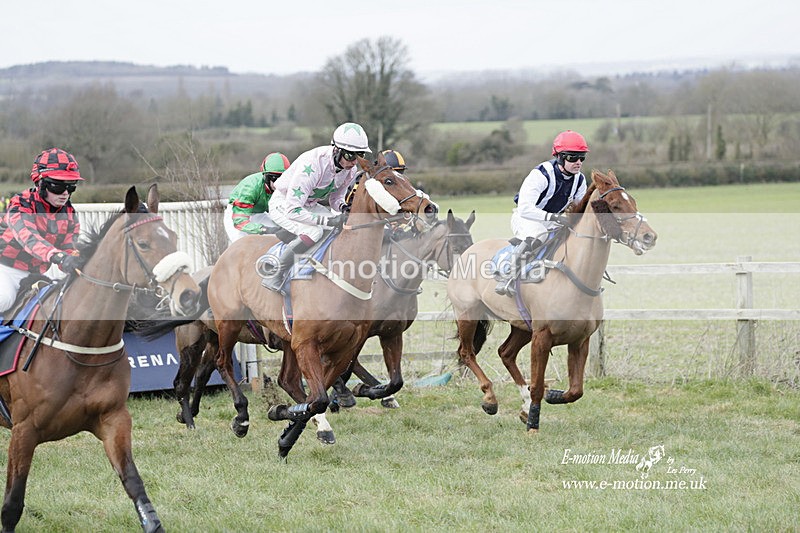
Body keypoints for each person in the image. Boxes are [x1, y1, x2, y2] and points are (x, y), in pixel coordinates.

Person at [259, 122, 371, 292]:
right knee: (315, 231)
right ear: (336, 150)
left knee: (340, 227)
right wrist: (328, 219)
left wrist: (343, 208)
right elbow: (293, 209)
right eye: (350, 155)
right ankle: (276, 273)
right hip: (285, 204)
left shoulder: (350, 169)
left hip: (309, 205)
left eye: (359, 155)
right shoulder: (312, 165)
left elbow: (336, 198)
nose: (354, 161)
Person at [495, 130, 590, 296]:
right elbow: (525, 208)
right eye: (573, 157)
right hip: (526, 217)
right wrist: (552, 217)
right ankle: (508, 276)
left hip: (553, 220)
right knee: (539, 234)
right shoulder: (540, 175)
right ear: (560, 157)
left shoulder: (580, 179)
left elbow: (579, 210)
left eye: (582, 157)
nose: (578, 162)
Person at [0, 148, 84, 314]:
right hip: (4, 270)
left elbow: (69, 248)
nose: (65, 193)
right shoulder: (20, 203)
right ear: (41, 183)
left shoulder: (69, 213)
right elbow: (29, 238)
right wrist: (58, 256)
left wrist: (80, 261)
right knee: (4, 299)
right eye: (58, 186)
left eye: (70, 187)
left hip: (34, 276)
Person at [224, 152, 291, 242]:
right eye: (275, 178)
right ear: (266, 177)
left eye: (284, 178)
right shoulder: (249, 187)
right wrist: (265, 230)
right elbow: (240, 222)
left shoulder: (284, 188)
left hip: (259, 213)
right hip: (237, 215)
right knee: (241, 243)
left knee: (278, 234)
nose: (280, 183)